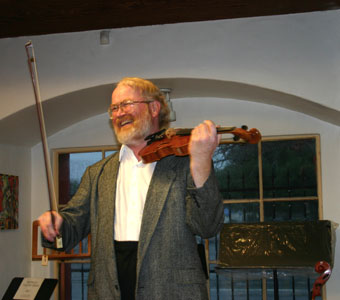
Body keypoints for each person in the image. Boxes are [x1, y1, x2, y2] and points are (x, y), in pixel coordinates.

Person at [38, 77, 224, 300]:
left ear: (154, 108)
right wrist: (55, 226)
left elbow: (207, 226)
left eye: (125, 104)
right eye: (114, 108)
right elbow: (70, 230)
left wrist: (202, 159)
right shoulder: (97, 173)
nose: (118, 113)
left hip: (173, 292)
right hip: (110, 291)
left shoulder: (187, 164)